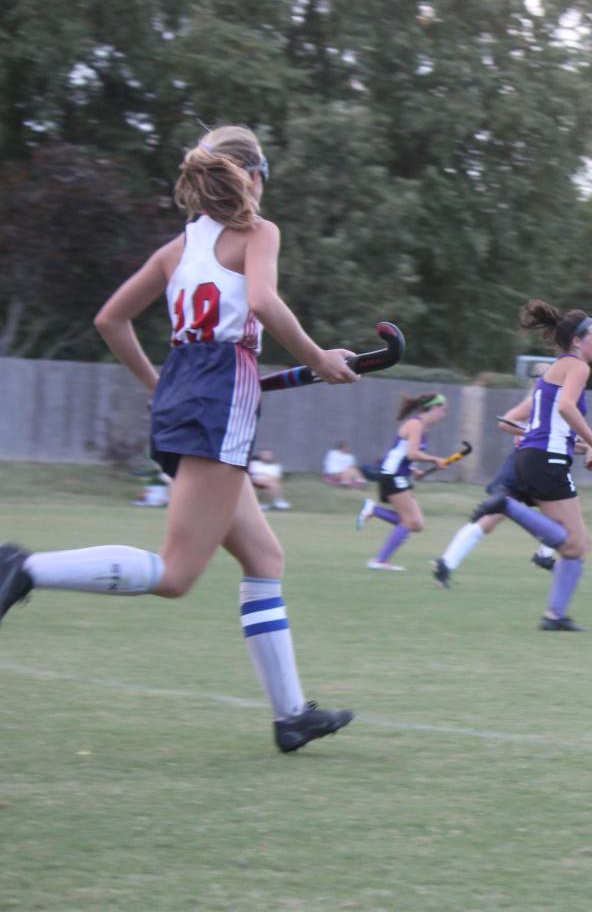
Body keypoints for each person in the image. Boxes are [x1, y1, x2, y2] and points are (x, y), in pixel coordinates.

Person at [0, 124, 355, 753]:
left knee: (264, 559)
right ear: (253, 178)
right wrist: (318, 357)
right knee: (176, 573)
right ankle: (23, 568)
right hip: (222, 397)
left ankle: (292, 714)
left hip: (185, 391)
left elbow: (110, 319)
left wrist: (155, 382)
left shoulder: (177, 249)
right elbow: (267, 306)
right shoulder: (258, 233)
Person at [466, 300, 592, 630]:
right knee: (575, 544)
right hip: (546, 461)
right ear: (578, 341)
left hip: (532, 457)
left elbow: (550, 428)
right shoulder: (577, 367)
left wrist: (585, 447)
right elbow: (566, 409)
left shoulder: (554, 370)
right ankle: (507, 506)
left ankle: (554, 616)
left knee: (575, 545)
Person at [431, 395, 574, 590]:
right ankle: (543, 556)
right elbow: (507, 422)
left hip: (536, 464)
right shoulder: (540, 398)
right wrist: (535, 432)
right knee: (562, 520)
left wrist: (591, 448)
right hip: (530, 464)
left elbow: (563, 441)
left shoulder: (561, 403)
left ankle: (446, 564)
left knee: (559, 520)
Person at [357, 393, 450, 571]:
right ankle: (380, 561)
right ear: (434, 407)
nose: (443, 414)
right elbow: (412, 453)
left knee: (417, 524)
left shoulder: (422, 427)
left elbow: (402, 455)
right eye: (443, 410)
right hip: (392, 475)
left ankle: (373, 510)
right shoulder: (416, 425)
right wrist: (434, 460)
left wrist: (415, 471)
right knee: (410, 521)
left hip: (398, 474)